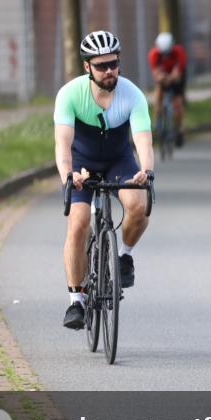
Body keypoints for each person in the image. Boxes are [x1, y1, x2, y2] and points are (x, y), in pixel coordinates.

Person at [55, 30, 155, 329]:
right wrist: (68, 175)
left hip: (118, 159)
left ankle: (124, 256)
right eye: (101, 66)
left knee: (139, 204)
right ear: (87, 67)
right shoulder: (70, 94)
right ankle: (76, 301)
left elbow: (143, 141)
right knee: (79, 223)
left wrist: (146, 171)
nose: (109, 70)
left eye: (113, 63)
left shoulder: (132, 94)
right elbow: (62, 144)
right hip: (81, 163)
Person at [147, 32, 188, 148]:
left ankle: (179, 129)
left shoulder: (179, 52)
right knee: (158, 94)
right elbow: (156, 73)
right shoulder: (154, 54)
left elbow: (178, 72)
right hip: (163, 75)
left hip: (177, 77)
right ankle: (157, 121)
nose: (165, 55)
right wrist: (162, 78)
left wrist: (172, 78)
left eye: (167, 53)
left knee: (178, 104)